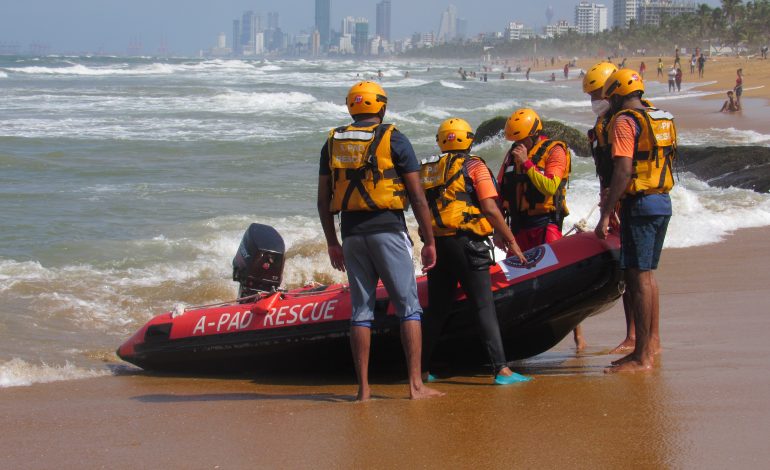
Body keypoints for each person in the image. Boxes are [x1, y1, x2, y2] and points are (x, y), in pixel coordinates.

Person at [316, 81, 443, 400]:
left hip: (352, 235)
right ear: (382, 108)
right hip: (388, 230)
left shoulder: (333, 142)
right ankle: (415, 387)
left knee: (361, 310)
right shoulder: (395, 139)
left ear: (351, 108)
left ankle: (363, 391)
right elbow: (417, 196)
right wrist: (429, 241)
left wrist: (333, 242)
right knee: (408, 308)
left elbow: (322, 200)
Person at [419, 118, 531, 385]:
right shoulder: (474, 165)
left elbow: (420, 206)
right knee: (483, 306)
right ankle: (501, 370)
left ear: (441, 140)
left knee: (437, 310)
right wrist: (511, 241)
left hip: (438, 244)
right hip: (468, 244)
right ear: (468, 140)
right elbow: (490, 208)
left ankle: (421, 370)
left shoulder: (427, 170)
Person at [595, 69, 677, 373]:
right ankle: (650, 343)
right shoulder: (661, 117)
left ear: (616, 95)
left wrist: (606, 212)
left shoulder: (624, 122)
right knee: (647, 276)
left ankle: (642, 356)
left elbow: (624, 169)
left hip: (640, 204)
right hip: (662, 200)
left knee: (637, 278)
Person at [497, 109, 579, 348]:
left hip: (545, 223)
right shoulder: (511, 157)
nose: (517, 145)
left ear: (534, 135)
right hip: (519, 226)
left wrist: (528, 163)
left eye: (521, 140)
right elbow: (502, 191)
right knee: (516, 282)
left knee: (560, 281)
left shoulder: (555, 151)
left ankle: (578, 335)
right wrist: (499, 230)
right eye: (514, 141)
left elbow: (550, 187)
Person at [583, 63, 641, 354]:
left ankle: (635, 336)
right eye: (591, 95)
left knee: (633, 272)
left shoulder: (622, 121)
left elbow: (622, 169)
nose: (594, 100)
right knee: (626, 271)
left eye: (597, 93)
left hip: (627, 202)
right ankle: (633, 335)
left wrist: (610, 207)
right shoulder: (604, 123)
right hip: (613, 201)